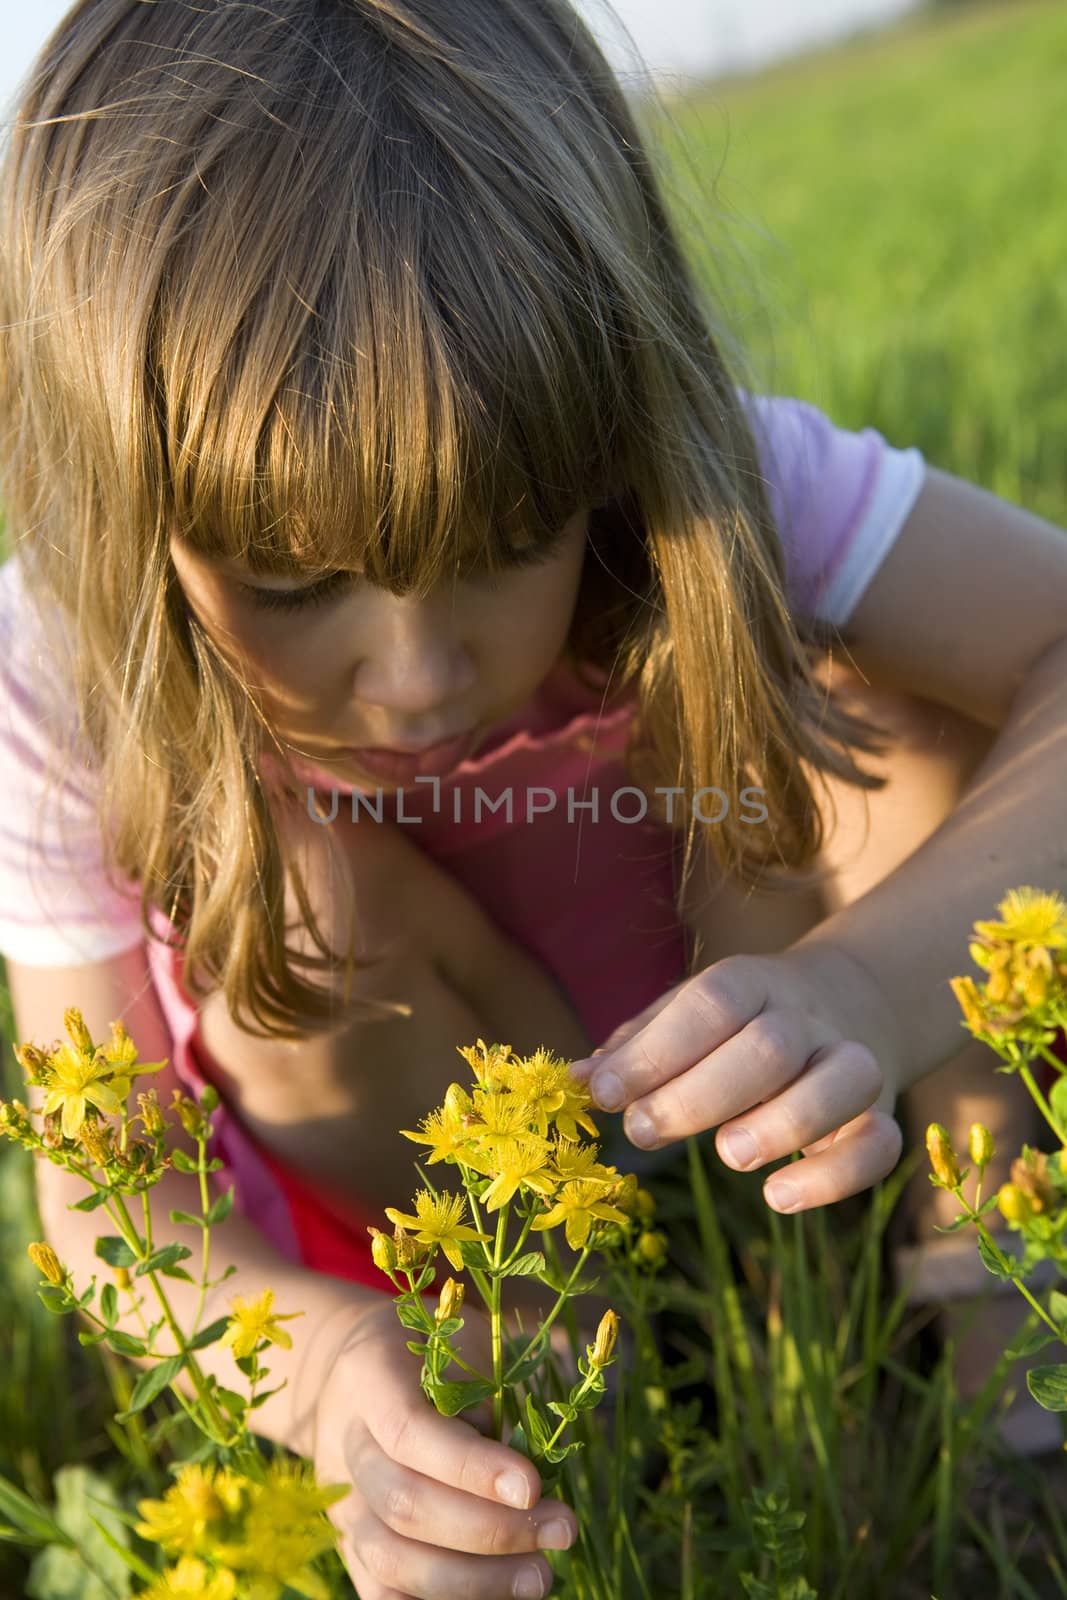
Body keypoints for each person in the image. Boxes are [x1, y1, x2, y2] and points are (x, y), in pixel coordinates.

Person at [1, 0, 1065, 1593]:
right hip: (429, 1202)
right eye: (291, 582)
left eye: (510, 545)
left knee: (888, 687)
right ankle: (569, 1423)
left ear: (614, 419)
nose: (419, 677)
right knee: (292, 883)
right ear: (117, 491)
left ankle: (1004, 1353)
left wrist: (869, 981)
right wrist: (334, 1371)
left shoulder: (707, 485)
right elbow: (110, 1211)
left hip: (749, 1056)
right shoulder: (56, 672)